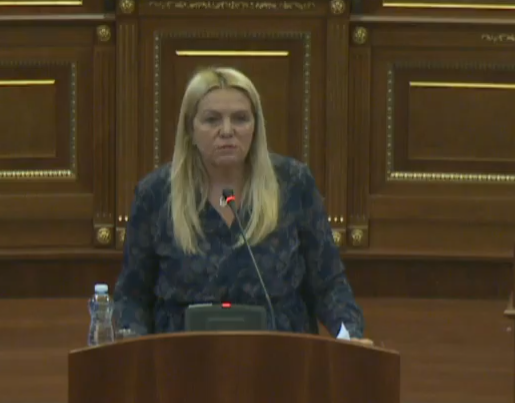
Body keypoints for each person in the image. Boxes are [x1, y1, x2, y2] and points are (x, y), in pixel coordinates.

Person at [113, 66, 372, 344]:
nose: (227, 131)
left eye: (240, 119)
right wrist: (133, 343)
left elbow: (329, 284)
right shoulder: (156, 194)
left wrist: (350, 336)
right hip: (183, 356)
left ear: (255, 127)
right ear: (190, 129)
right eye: (212, 120)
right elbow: (132, 296)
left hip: (281, 354)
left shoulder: (293, 184)